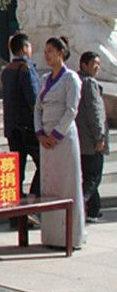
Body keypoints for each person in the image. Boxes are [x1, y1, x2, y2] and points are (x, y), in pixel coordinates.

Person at [36, 37, 85, 248]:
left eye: (50, 51)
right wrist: (40, 133)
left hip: (63, 138)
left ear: (61, 53)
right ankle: (51, 235)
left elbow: (71, 110)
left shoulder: (71, 78)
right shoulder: (44, 79)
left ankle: (70, 236)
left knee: (67, 185)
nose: (47, 55)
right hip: (45, 137)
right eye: (45, 51)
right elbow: (37, 108)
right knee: (49, 186)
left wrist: (55, 135)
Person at [1, 32, 41, 199]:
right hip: (28, 125)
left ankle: (15, 204)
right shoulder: (27, 68)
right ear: (24, 48)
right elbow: (34, 98)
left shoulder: (7, 70)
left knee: (17, 168)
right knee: (43, 164)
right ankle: (34, 198)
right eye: (29, 46)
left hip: (12, 126)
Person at [76, 51, 108, 222]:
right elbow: (95, 113)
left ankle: (94, 211)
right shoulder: (89, 83)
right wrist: (99, 137)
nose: (98, 67)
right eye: (95, 63)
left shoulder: (75, 81)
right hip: (91, 140)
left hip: (80, 140)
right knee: (93, 177)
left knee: (89, 176)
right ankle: (79, 207)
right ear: (84, 65)